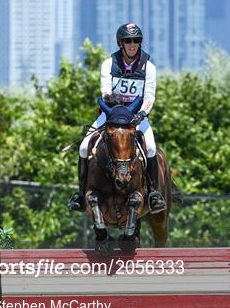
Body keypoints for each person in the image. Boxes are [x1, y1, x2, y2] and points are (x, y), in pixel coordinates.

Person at [68, 22, 166, 214]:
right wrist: (115, 112)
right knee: (84, 146)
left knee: (152, 147)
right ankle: (81, 194)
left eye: (136, 41)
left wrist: (140, 114)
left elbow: (149, 97)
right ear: (121, 43)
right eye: (128, 41)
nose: (132, 44)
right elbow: (106, 93)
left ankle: (153, 194)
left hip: (136, 117)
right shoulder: (108, 64)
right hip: (111, 115)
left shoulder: (149, 67)